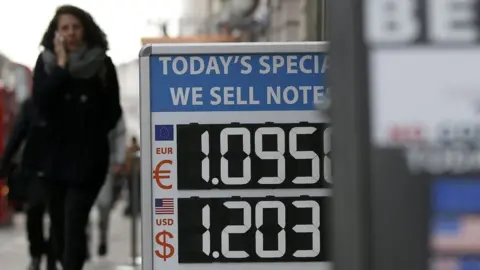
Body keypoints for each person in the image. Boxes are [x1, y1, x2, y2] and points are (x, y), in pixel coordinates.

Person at [32, 5, 121, 270]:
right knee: (58, 226)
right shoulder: (46, 62)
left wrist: (89, 129)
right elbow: (41, 103)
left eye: (76, 27)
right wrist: (61, 66)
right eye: (65, 28)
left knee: (75, 222)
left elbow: (113, 111)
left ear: (86, 29)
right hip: (53, 160)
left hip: (88, 159)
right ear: (57, 33)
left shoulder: (101, 64)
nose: (71, 33)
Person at [0, 98, 58, 270]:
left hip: (61, 169)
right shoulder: (30, 106)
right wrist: (5, 162)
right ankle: (36, 253)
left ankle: (53, 256)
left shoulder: (65, 101)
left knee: (58, 215)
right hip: (35, 168)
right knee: (34, 210)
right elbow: (17, 134)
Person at [87, 114, 126, 257]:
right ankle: (84, 240)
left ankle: (103, 236)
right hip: (81, 164)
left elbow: (120, 133)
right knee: (82, 207)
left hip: (105, 164)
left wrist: (118, 159)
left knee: (104, 204)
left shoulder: (109, 100)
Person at [123, 136, 140, 216]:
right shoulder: (135, 149)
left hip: (134, 175)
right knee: (133, 193)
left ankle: (134, 208)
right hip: (133, 175)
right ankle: (134, 208)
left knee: (134, 193)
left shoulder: (135, 150)